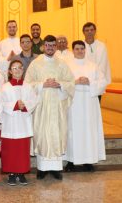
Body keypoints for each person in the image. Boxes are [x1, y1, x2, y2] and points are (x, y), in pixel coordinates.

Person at [24, 35, 75, 180]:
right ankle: (42, 169)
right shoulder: (36, 63)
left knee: (56, 134)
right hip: (42, 106)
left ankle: (56, 168)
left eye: (53, 45)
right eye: (48, 45)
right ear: (43, 46)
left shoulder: (62, 64)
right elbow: (27, 84)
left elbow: (71, 82)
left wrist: (60, 84)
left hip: (58, 106)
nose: (50, 48)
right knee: (42, 134)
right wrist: (42, 84)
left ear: (56, 47)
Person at [64, 41, 108, 172]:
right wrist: (75, 82)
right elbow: (63, 83)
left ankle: (88, 161)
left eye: (82, 49)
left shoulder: (93, 66)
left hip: (89, 105)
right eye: (77, 49)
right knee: (72, 132)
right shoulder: (67, 66)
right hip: (73, 104)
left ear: (85, 50)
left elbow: (103, 82)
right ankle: (71, 161)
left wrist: (90, 82)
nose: (80, 51)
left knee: (88, 132)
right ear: (73, 50)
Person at [1, 60, 37, 186]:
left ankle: (21, 173)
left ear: (23, 70)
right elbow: (1, 104)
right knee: (10, 149)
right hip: (10, 122)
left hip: (23, 121)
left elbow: (34, 100)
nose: (17, 70)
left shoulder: (28, 86)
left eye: (20, 68)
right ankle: (11, 174)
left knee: (22, 149)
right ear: (10, 71)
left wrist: (25, 105)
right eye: (14, 68)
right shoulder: (5, 87)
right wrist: (15, 105)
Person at [82, 22, 111, 101]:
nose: (89, 32)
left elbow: (103, 64)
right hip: (84, 82)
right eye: (87, 30)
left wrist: (94, 80)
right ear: (83, 32)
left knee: (96, 106)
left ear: (95, 31)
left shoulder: (101, 46)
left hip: (97, 82)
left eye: (91, 30)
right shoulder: (81, 46)